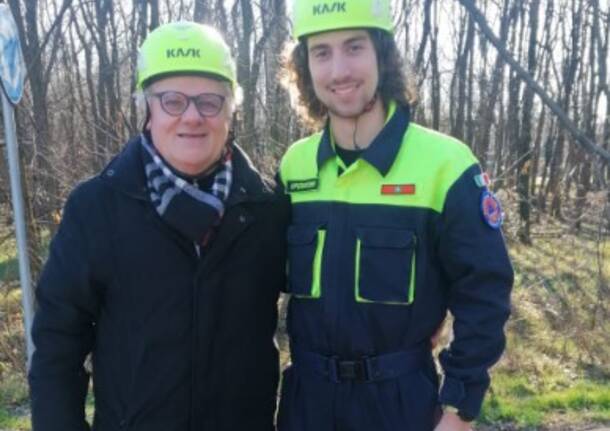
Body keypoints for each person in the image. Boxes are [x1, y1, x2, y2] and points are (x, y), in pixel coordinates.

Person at [28, 22, 287, 431]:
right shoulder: (97, 208)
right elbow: (57, 347)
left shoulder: (267, 209)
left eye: (209, 102)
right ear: (147, 109)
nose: (191, 117)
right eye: (172, 101)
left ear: (231, 109)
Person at [276, 1, 514, 430]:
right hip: (306, 403)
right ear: (304, 67)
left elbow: (485, 294)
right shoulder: (294, 167)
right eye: (321, 52)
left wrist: (460, 410)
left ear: (382, 55)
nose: (338, 70)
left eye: (354, 47)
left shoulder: (446, 165)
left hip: (401, 406)